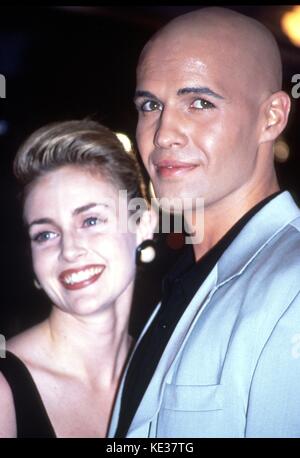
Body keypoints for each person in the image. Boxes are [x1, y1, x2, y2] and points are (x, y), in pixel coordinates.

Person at [108, 7, 300, 438]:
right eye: (150, 105)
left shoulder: (294, 285)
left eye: (199, 102)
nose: (163, 133)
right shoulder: (179, 278)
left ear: (271, 117)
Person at [0, 119, 155, 438]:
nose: (69, 250)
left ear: (143, 224)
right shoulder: (4, 391)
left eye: (91, 220)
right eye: (45, 234)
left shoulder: (168, 371)